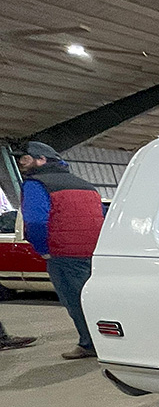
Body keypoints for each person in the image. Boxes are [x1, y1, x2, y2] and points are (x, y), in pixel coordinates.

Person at [14, 141, 104, 359]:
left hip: (64, 253)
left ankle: (90, 345)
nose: (21, 164)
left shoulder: (36, 184)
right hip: (95, 252)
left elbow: (35, 222)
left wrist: (44, 249)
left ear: (42, 159)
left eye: (25, 159)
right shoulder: (86, 185)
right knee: (97, 299)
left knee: (75, 300)